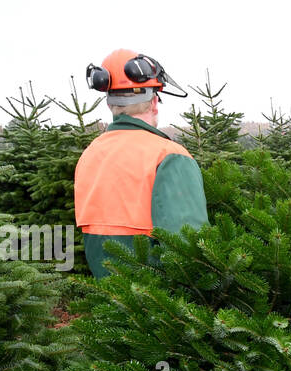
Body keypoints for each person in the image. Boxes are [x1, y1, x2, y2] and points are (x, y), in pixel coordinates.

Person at [74, 49, 208, 278]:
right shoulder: (169, 155)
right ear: (154, 102)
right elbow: (189, 247)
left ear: (110, 104)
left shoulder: (90, 154)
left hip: (108, 301)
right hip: (162, 305)